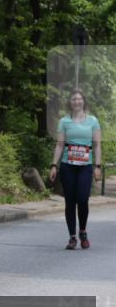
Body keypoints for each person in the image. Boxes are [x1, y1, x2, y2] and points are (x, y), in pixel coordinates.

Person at [49, 89, 102, 250]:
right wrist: (54, 165)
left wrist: (97, 166)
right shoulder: (64, 121)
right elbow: (60, 145)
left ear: (83, 101)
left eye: (79, 99)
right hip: (68, 166)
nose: (77, 102)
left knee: (83, 199)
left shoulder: (93, 121)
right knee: (70, 201)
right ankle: (72, 237)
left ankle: (83, 231)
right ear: (70, 102)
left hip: (85, 166)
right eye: (74, 99)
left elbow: (97, 145)